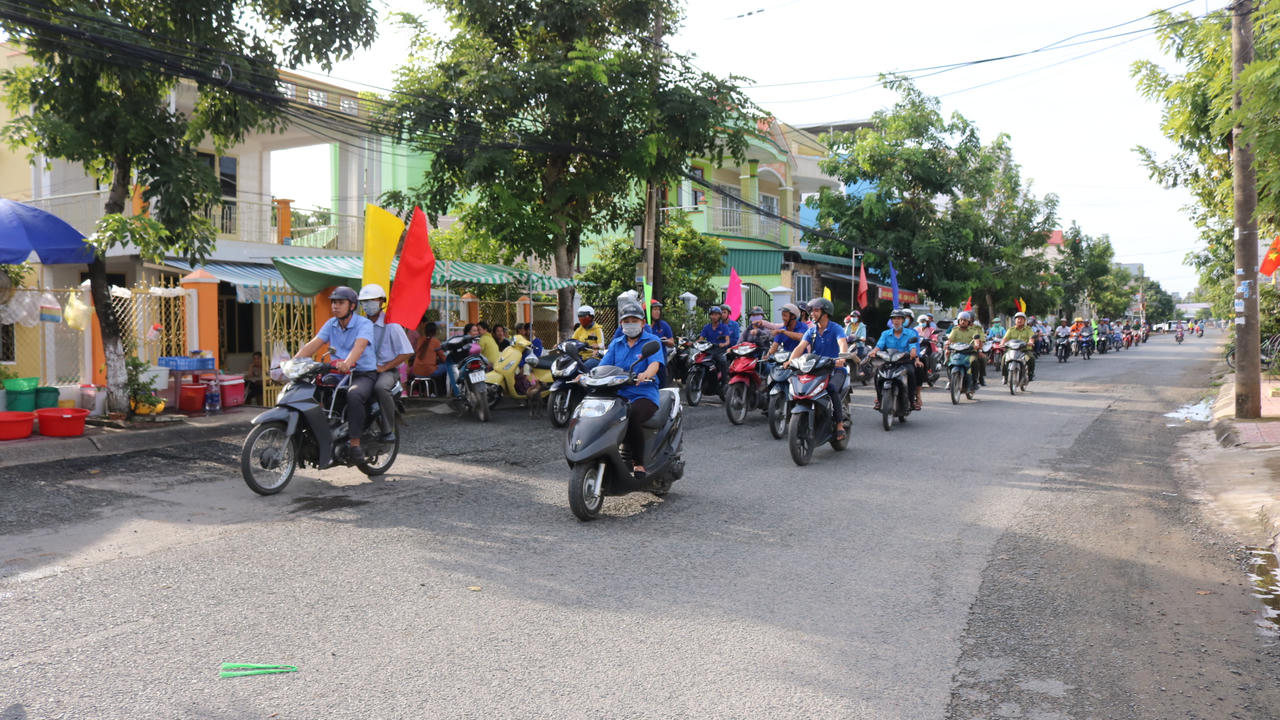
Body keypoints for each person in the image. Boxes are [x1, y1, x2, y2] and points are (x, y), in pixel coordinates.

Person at [293, 286, 376, 463]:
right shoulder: (331, 324)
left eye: (340, 303)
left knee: (354, 394)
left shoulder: (364, 324)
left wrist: (347, 362)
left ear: (352, 306)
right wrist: (292, 362)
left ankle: (355, 444)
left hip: (362, 373)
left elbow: (359, 347)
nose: (335, 306)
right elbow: (313, 344)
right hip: (337, 373)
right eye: (333, 303)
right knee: (313, 389)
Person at [598, 301, 665, 481]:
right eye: (626, 320)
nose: (630, 324)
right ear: (621, 324)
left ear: (643, 323)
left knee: (632, 415)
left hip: (644, 393)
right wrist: (586, 376)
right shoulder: (616, 344)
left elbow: (654, 364)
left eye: (634, 320)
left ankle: (638, 463)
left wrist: (646, 374)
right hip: (619, 394)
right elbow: (603, 367)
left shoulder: (652, 340)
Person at [783, 297, 849, 441]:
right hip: (816, 368)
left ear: (825, 313)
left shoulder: (836, 328)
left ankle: (839, 425)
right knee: (795, 384)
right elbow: (800, 347)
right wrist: (791, 361)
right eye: (811, 311)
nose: (812, 313)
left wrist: (842, 358)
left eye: (816, 310)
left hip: (835, 369)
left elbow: (842, 343)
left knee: (831, 388)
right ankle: (793, 416)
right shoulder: (811, 331)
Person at [358, 284, 414, 441]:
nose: (368, 304)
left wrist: (384, 367)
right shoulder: (360, 325)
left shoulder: (392, 325)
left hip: (387, 371)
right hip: (364, 370)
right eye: (364, 301)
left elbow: (407, 351)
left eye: (371, 300)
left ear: (382, 301)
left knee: (381, 388)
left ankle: (388, 430)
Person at [868, 308, 924, 411]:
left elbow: (913, 346)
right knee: (877, 373)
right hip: (889, 361)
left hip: (905, 362)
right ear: (891, 320)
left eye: (899, 318)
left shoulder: (910, 333)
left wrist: (913, 352)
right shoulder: (885, 333)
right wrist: (874, 351)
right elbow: (879, 345)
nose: (896, 321)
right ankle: (879, 399)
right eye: (894, 319)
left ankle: (912, 400)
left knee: (912, 372)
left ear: (903, 320)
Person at [945, 311, 987, 388]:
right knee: (949, 363)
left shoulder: (973, 331)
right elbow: (950, 339)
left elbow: (976, 340)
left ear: (969, 322)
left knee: (975, 361)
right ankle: (950, 380)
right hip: (957, 352)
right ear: (958, 321)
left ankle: (974, 382)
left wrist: (977, 345)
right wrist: (947, 344)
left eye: (965, 320)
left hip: (969, 353)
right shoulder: (955, 330)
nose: (963, 322)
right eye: (961, 320)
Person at [699, 305, 733, 389]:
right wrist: (692, 343)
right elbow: (700, 339)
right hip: (709, 350)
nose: (714, 317)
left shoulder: (724, 327)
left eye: (716, 314)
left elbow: (727, 341)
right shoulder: (706, 327)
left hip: (720, 350)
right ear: (710, 315)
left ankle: (724, 383)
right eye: (712, 314)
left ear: (720, 316)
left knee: (722, 361)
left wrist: (723, 344)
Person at [411, 321, 448, 395]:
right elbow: (443, 358)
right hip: (429, 371)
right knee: (447, 366)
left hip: (416, 371)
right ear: (435, 332)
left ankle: (429, 391)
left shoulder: (419, 340)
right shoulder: (436, 342)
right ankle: (443, 392)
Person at [999, 311, 1036, 382]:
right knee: (1004, 358)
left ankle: (1031, 374)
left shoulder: (1028, 329)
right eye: (1018, 319)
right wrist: (1002, 344)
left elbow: (1031, 338)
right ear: (1015, 320)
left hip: (1024, 350)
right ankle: (1005, 376)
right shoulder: (1011, 330)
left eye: (1021, 319)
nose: (1019, 320)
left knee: (1031, 358)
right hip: (1012, 350)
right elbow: (1005, 338)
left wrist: (1031, 342)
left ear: (1025, 321)